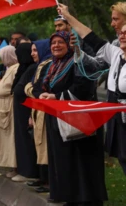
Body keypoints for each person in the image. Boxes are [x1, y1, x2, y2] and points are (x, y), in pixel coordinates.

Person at [36, 30, 107, 205]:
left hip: (77, 120)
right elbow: (42, 85)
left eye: (61, 42)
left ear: (69, 44)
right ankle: (70, 198)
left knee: (81, 162)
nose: (56, 46)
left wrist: (56, 96)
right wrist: (45, 95)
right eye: (53, 43)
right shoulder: (53, 65)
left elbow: (83, 87)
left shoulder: (77, 62)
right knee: (64, 161)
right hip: (57, 119)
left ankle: (86, 200)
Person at [58, 3, 126, 175]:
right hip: (117, 118)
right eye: (122, 33)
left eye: (116, 20)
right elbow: (92, 39)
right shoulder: (116, 52)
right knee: (123, 158)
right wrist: (68, 18)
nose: (114, 26)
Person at [11, 40, 47, 184]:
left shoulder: (34, 68)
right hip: (22, 110)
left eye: (35, 50)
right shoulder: (26, 68)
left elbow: (33, 89)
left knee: (29, 141)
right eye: (31, 51)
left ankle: (31, 171)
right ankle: (25, 169)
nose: (32, 54)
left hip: (28, 110)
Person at [0, 45, 19, 172]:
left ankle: (13, 166)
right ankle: (7, 165)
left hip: (7, 106)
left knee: (9, 139)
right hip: (0, 105)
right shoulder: (8, 69)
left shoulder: (16, 68)